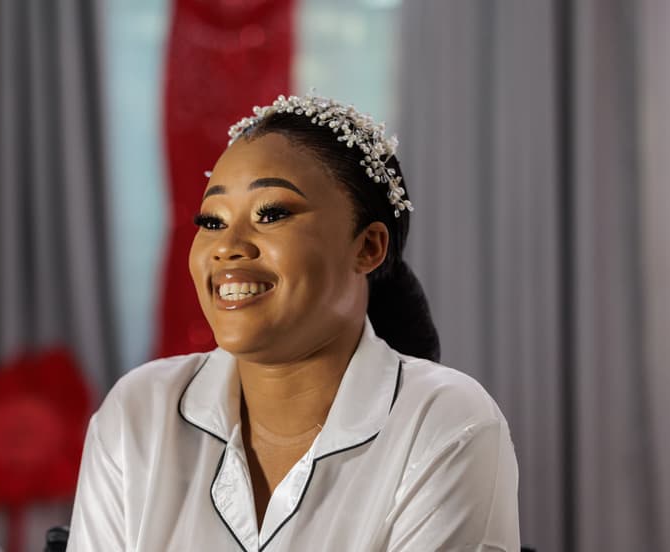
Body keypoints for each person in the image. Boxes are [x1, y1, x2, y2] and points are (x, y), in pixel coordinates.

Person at [67, 93, 520, 551]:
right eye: (212, 220)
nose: (227, 247)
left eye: (273, 214)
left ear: (368, 247)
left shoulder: (445, 423)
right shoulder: (139, 412)